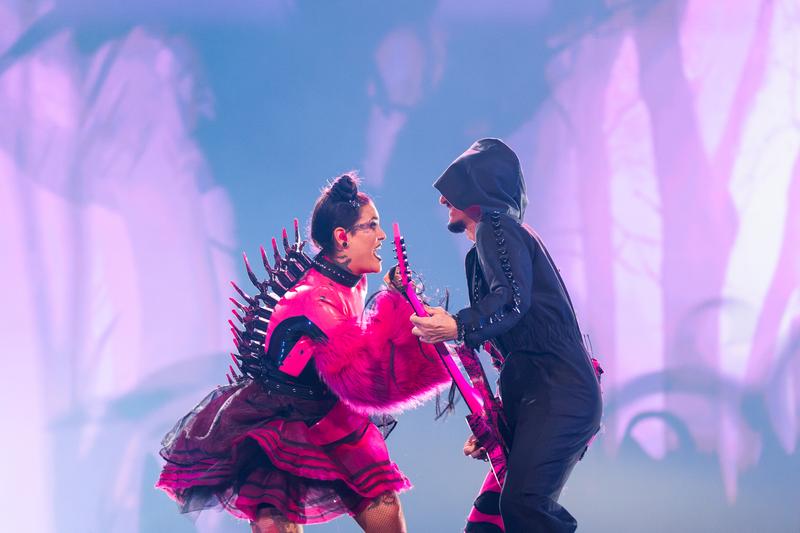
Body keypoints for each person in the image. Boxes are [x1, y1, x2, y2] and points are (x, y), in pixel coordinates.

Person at [157, 173, 451, 533]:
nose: (382, 236)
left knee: (385, 511)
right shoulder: (316, 299)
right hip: (279, 414)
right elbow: (369, 383)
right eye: (371, 226)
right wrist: (405, 321)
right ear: (342, 238)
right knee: (274, 522)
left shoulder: (352, 277)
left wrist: (397, 303)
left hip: (326, 405)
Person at [410, 139, 602, 533]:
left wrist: (458, 325)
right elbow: (516, 336)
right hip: (541, 394)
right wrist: (500, 425)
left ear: (478, 189)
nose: (445, 201)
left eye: (455, 189)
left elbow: (512, 300)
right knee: (490, 517)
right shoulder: (494, 239)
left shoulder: (496, 227)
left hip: (558, 392)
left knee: (524, 506)